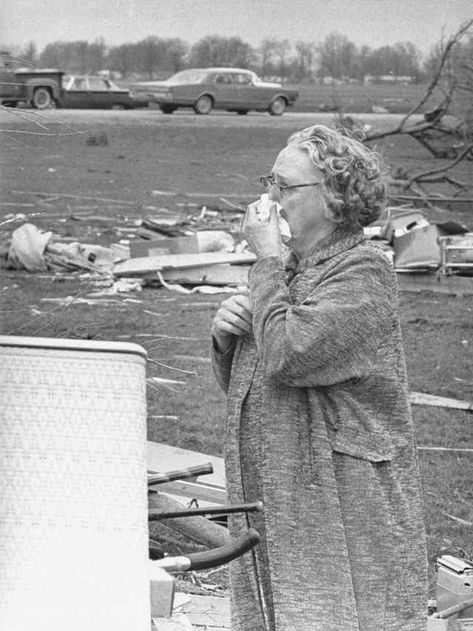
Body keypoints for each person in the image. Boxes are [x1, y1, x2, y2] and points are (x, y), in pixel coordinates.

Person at [210, 124, 428, 631]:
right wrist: (226, 342)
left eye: (283, 186)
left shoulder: (363, 273)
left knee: (336, 613)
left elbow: (290, 356)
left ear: (333, 198)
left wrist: (264, 263)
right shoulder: (291, 269)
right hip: (284, 481)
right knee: (281, 609)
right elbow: (256, 386)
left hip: (338, 492)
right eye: (270, 182)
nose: (270, 200)